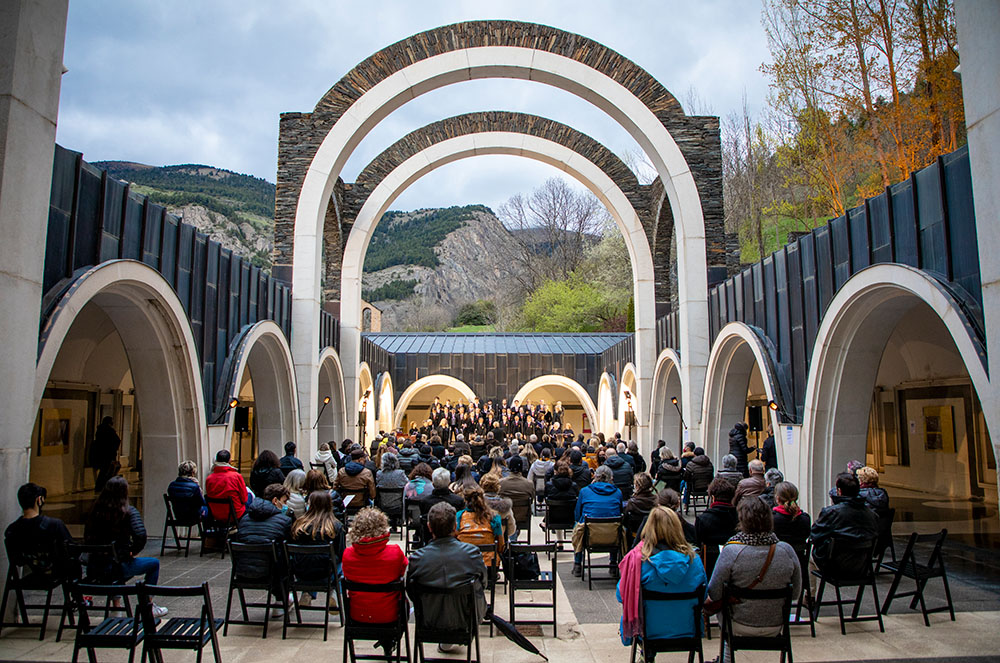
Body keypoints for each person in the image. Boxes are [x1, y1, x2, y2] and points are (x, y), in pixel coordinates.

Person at [707, 497, 801, 663]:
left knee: (720, 606)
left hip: (738, 623)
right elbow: (795, 594)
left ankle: (727, 657)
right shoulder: (786, 550)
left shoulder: (732, 551)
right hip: (776, 624)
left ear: (742, 520)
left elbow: (714, 593)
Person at [616, 507, 706, 646]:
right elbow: (704, 595)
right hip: (688, 629)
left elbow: (622, 595)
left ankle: (646, 656)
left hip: (647, 631)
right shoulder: (695, 560)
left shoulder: (638, 563)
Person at [85, 476, 168, 617]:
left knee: (114, 569)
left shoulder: (95, 511)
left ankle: (116, 607)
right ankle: (147, 605)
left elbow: (87, 536)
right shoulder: (128, 511)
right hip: (119, 564)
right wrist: (132, 551)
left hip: (96, 566)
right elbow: (140, 536)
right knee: (153, 564)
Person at [407, 502, 488, 645]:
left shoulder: (417, 558)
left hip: (428, 620)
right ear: (455, 527)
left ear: (429, 527)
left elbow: (411, 592)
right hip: (465, 619)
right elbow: (484, 583)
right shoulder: (471, 553)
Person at [341, 507, 408, 629]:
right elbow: (402, 572)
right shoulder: (395, 553)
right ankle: (390, 641)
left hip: (358, 615)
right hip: (389, 615)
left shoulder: (348, 554)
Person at [235, 483, 294, 616]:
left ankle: (282, 599)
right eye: (284, 501)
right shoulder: (284, 521)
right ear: (275, 501)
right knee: (285, 557)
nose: (285, 505)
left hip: (241, 571)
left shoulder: (244, 519)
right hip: (270, 574)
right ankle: (281, 599)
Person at [811, 472, 878, 578]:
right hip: (862, 568)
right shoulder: (872, 514)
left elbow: (814, 535)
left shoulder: (832, 512)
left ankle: (810, 594)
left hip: (834, 567)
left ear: (839, 491)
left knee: (809, 559)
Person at [289, 490, 346, 608]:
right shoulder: (335, 526)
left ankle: (307, 592)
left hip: (300, 573)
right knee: (340, 562)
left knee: (311, 560)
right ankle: (334, 592)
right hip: (326, 573)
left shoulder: (299, 525)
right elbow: (341, 552)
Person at [5, 483, 73, 580]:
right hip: (54, 572)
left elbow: (18, 561)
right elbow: (71, 549)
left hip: (34, 571)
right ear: (39, 500)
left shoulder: (11, 530)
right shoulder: (54, 525)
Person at [571, 465, 623, 577]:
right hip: (612, 537)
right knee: (617, 525)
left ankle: (577, 564)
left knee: (578, 525)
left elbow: (577, 514)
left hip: (590, 535)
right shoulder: (618, 493)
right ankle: (613, 564)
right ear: (611, 478)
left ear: (595, 476)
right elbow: (620, 511)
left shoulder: (585, 491)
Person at [456, 485, 505, 567]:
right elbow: (500, 546)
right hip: (489, 565)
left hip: (464, 565)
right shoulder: (493, 518)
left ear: (465, 500)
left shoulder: (459, 516)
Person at [695, 478, 739, 553]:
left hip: (710, 559)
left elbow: (698, 543)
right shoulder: (739, 517)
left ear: (713, 497)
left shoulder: (703, 519)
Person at [205, 449, 249, 520]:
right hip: (235, 513)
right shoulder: (236, 476)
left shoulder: (209, 478)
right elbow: (244, 499)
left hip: (215, 514)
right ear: (229, 461)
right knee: (249, 496)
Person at [771, 482, 811, 550]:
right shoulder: (805, 519)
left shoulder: (771, 519)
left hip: (777, 558)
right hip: (799, 558)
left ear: (777, 499)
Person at [479, 474, 516, 540]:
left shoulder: (477, 505)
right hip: (500, 543)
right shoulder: (505, 507)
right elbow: (511, 529)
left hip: (481, 541)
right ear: (498, 487)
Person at [90, 416, 121, 493]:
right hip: (108, 454)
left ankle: (100, 486)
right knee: (105, 471)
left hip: (100, 454)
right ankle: (101, 486)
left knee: (103, 471)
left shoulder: (99, 430)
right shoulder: (110, 431)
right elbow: (117, 440)